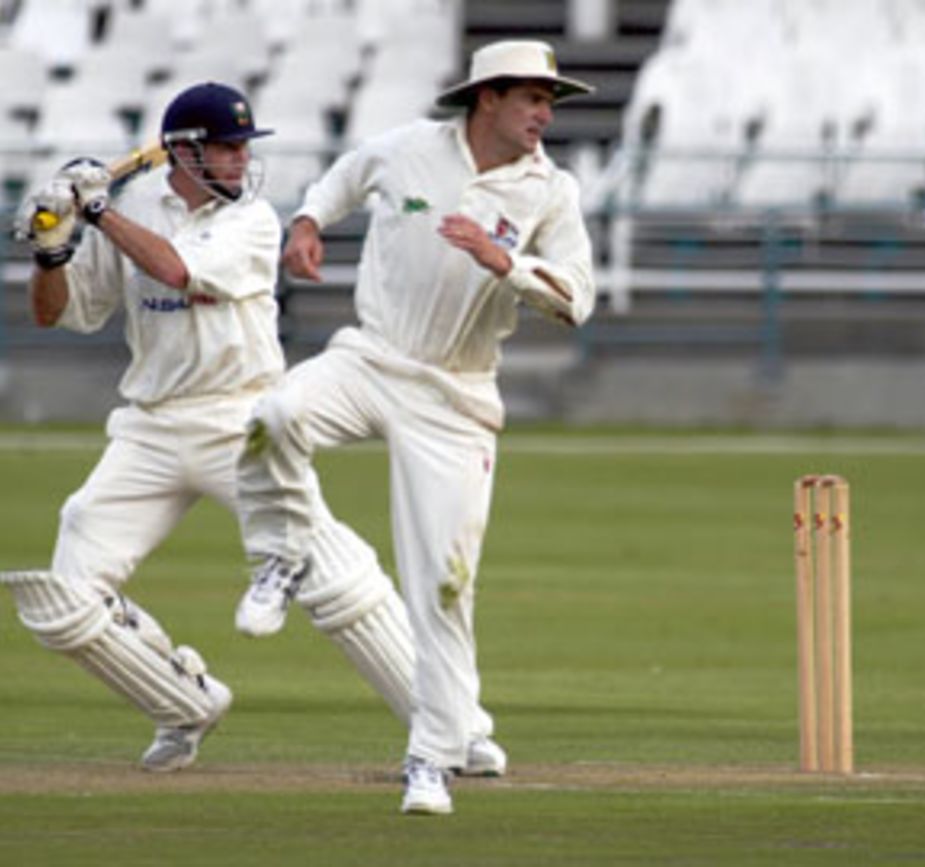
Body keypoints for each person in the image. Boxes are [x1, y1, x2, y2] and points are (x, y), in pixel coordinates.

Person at [1, 82, 420, 772]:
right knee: (66, 598)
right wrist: (51, 248)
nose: (238, 161)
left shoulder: (254, 221)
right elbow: (58, 313)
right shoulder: (133, 208)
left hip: (242, 419)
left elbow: (173, 266)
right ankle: (185, 704)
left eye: (241, 148)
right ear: (185, 153)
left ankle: (446, 729)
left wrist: (97, 211)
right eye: (225, 148)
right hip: (152, 426)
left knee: (331, 574)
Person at [233, 40, 597, 815]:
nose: (544, 113)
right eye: (532, 97)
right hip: (371, 358)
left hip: (456, 396)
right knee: (272, 416)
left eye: (550, 100)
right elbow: (343, 176)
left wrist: (508, 266)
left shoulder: (549, 191)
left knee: (442, 585)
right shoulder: (406, 149)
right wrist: (307, 220)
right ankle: (281, 554)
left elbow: (579, 299)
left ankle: (433, 755)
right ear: (486, 99)